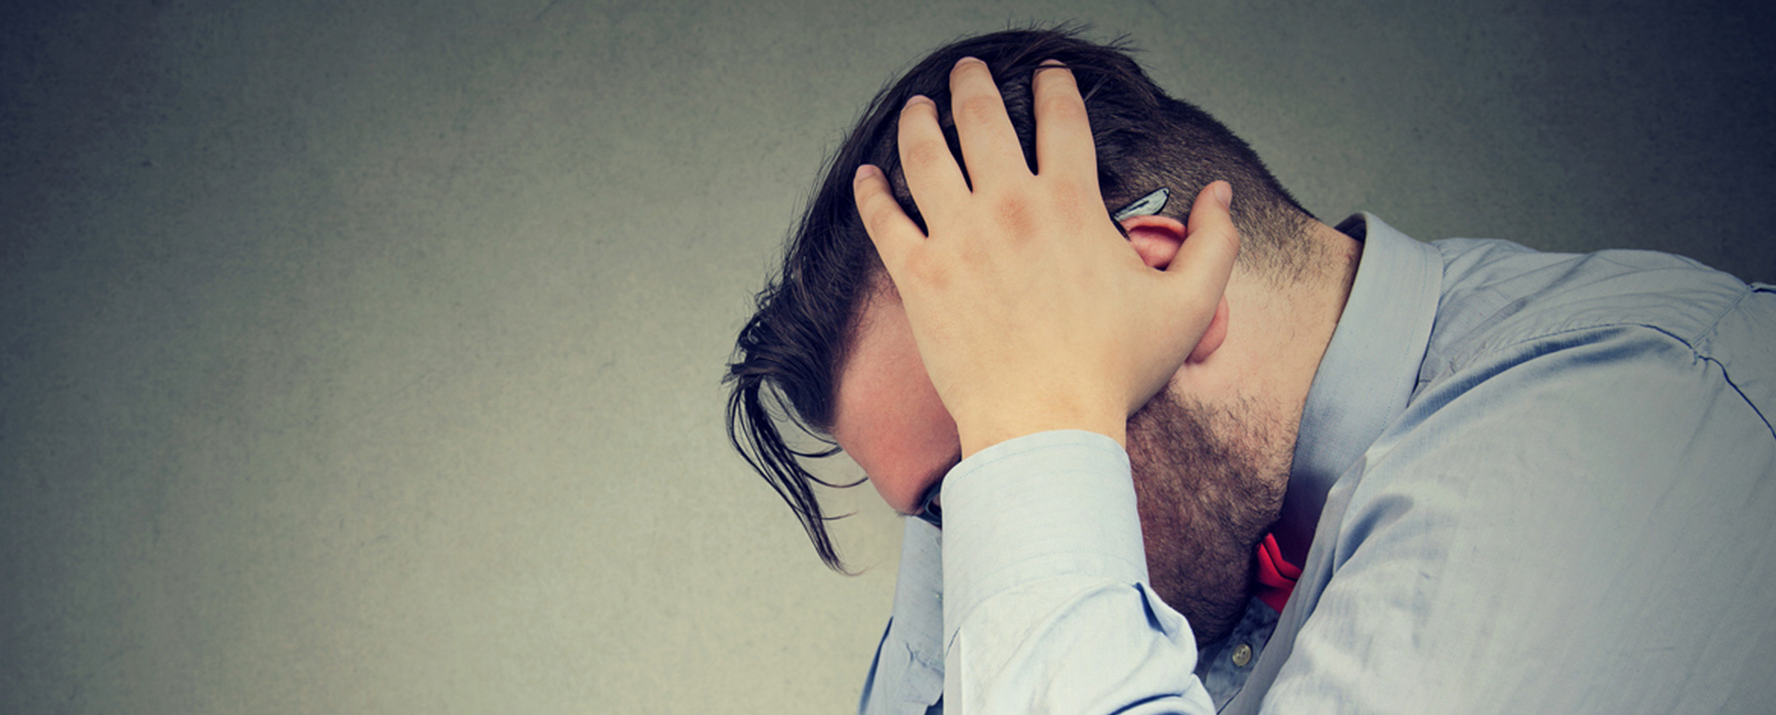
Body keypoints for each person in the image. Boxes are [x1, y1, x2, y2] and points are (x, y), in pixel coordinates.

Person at [724, 28, 1776, 714]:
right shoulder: (1197, 524)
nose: (988, 535)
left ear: (1162, 286)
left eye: (986, 475)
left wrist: (1028, 427)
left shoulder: (1620, 431)